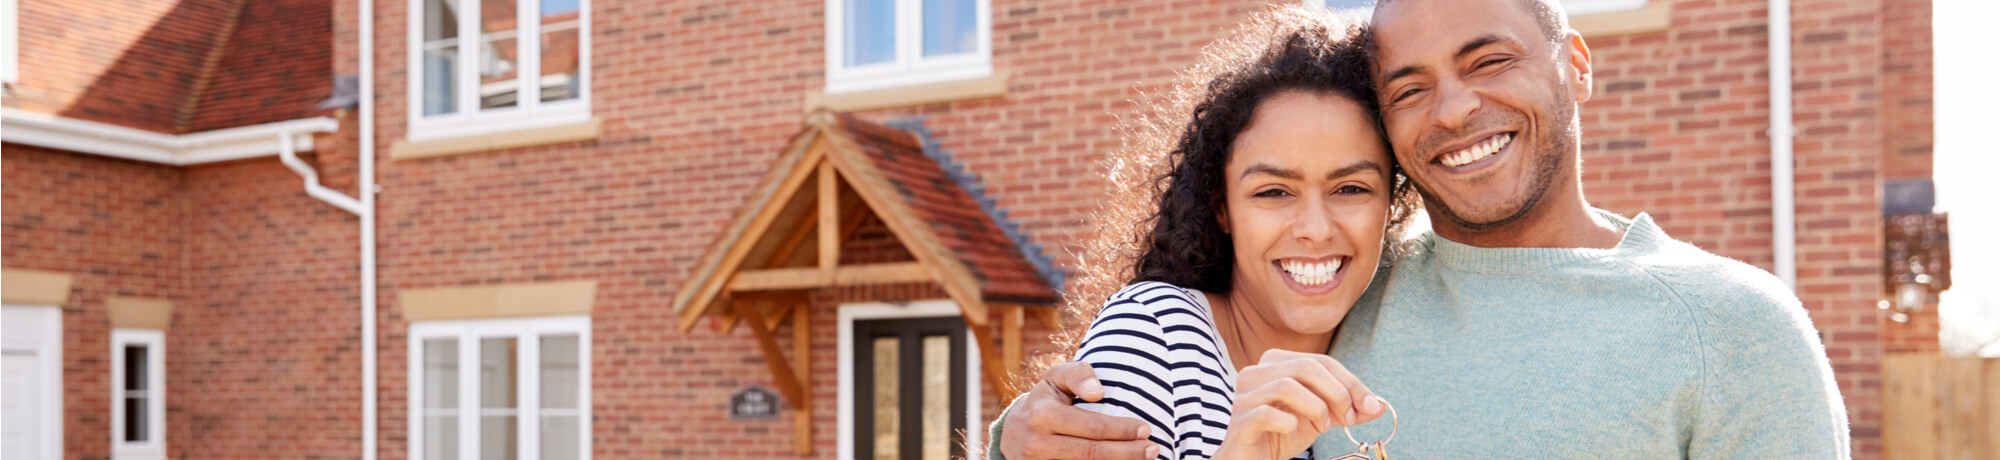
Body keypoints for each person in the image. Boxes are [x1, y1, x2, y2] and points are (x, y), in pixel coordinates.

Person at [990, 0, 1851, 458]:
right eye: (1408, 88)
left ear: (1575, 65)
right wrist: (1023, 441)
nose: (1456, 108)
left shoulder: (1733, 328)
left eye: (1490, 60)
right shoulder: (1343, 289)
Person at [1063, 8, 1418, 460]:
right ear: (1222, 208)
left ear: (1391, 203)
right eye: (1273, 192)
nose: (1315, 228)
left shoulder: (1401, 324)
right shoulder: (1155, 335)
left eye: (1350, 188)